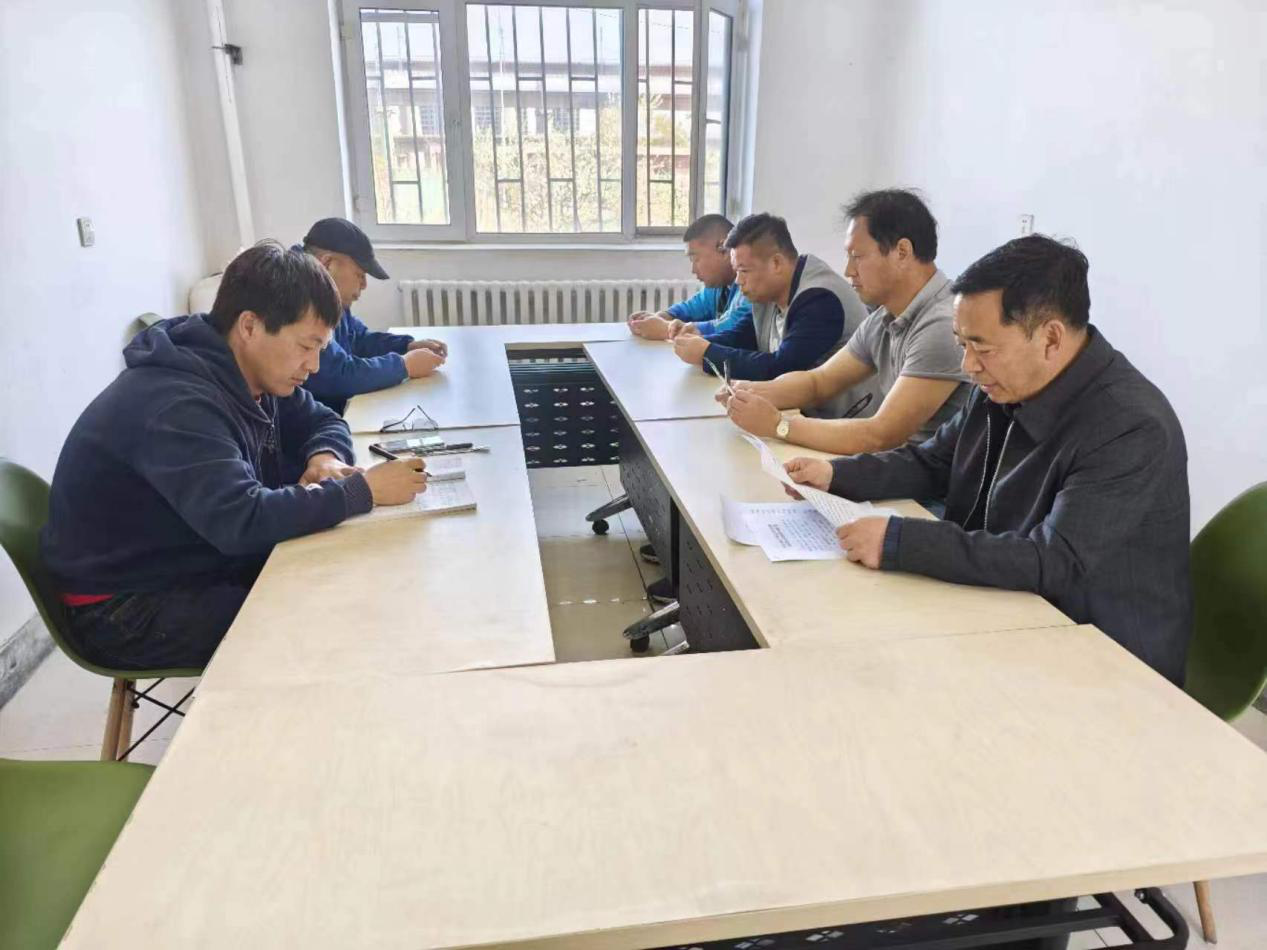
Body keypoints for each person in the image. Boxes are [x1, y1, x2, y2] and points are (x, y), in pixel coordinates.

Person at [785, 235, 1192, 685]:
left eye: (982, 346)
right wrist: (836, 475)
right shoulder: (1004, 382)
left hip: (1102, 657)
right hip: (1004, 610)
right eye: (961, 343)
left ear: (1051, 338)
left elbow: (1053, 562)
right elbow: (935, 462)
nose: (968, 365)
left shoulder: (1129, 426)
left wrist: (900, 540)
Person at [41, 241, 428, 672]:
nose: (315, 366)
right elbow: (241, 521)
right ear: (250, 326)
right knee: (327, 616)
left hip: (190, 555)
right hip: (126, 605)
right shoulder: (177, 403)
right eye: (306, 346)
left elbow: (322, 419)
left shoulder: (251, 370)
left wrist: (325, 457)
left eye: (321, 348)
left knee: (345, 572)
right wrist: (361, 491)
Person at [721, 190, 969, 453]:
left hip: (925, 475)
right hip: (900, 463)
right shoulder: (884, 318)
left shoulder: (943, 325)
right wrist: (750, 391)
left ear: (902, 252)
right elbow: (819, 382)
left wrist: (778, 425)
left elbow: (881, 435)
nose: (848, 270)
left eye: (857, 256)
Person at [671, 213, 876, 418]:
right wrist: (700, 341)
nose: (738, 281)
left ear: (776, 263)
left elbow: (781, 368)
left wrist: (707, 353)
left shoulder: (820, 299)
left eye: (744, 271)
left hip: (847, 421)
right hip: (806, 414)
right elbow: (744, 336)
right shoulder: (770, 289)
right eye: (736, 271)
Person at [298, 217, 449, 415]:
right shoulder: (301, 294)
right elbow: (336, 375)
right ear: (327, 264)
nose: (364, 285)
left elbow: (358, 339)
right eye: (359, 274)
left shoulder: (327, 290)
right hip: (315, 420)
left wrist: (406, 346)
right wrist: (404, 366)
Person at [627, 214, 751, 341]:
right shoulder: (718, 286)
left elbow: (734, 327)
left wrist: (666, 329)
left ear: (724, 249)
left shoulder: (750, 284)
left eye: (696, 259)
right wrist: (662, 316)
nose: (693, 270)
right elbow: (693, 308)